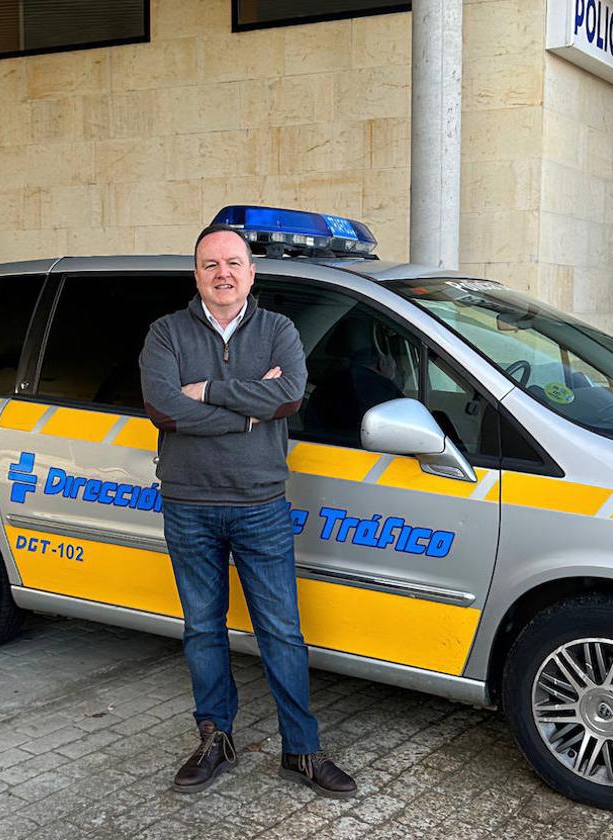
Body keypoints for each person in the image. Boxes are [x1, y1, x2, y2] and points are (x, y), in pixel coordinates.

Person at [138, 224, 357, 798]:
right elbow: (164, 409)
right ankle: (215, 738)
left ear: (251, 272)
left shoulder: (278, 329)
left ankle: (301, 751)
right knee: (203, 629)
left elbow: (288, 396)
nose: (223, 274)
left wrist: (205, 391)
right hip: (188, 504)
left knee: (281, 632)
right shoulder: (165, 333)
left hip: (259, 505)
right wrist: (247, 410)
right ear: (197, 275)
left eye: (233, 263)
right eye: (211, 264)